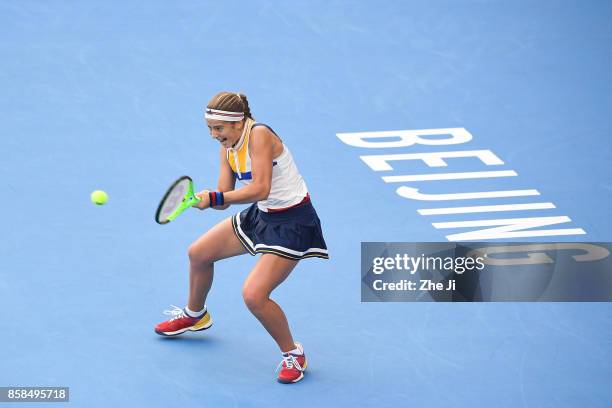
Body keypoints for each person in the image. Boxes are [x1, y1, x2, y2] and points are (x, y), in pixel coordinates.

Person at [154, 91, 328, 384]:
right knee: (198, 253)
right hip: (261, 215)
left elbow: (260, 188)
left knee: (254, 296)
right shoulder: (228, 145)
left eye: (218, 128)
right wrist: (204, 199)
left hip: (292, 222)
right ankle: (196, 315)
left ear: (238, 122)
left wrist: (216, 197)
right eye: (209, 128)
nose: (213, 134)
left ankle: (293, 353)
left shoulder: (259, 135)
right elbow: (224, 197)